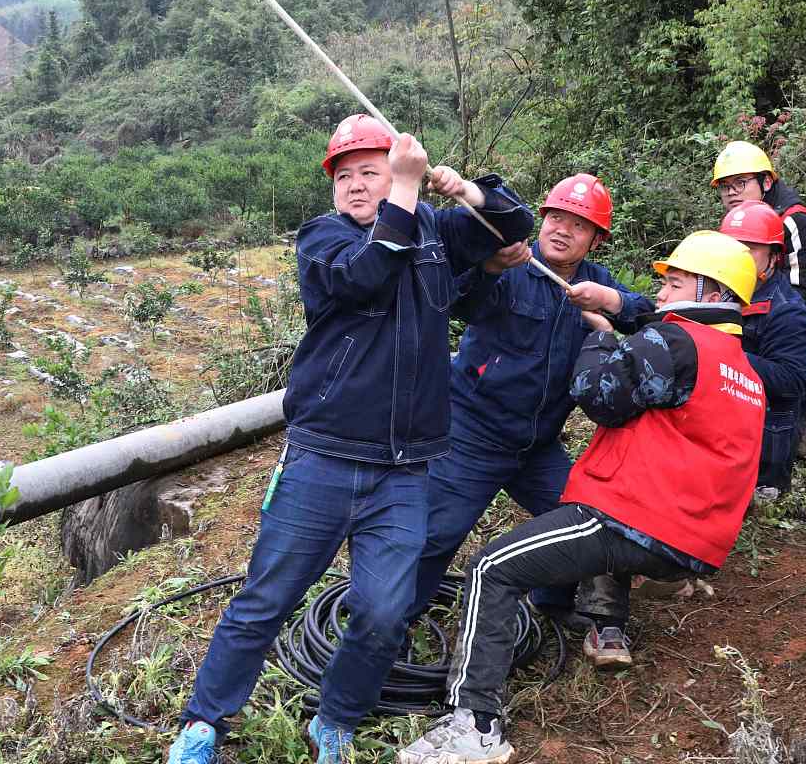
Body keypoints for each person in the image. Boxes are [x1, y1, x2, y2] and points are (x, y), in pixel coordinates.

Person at [166, 114, 533, 764]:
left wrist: (468, 194)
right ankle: (203, 723)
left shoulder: (433, 234)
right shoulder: (323, 239)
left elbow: (512, 229)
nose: (358, 186)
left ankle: (335, 719)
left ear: (395, 172)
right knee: (267, 598)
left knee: (386, 612)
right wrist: (406, 193)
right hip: (323, 459)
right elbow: (367, 274)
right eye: (346, 176)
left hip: (404, 471)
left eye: (371, 171)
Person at [396, 232, 765, 764]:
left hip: (630, 518)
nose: (662, 294)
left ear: (710, 293)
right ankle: (585, 616)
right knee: (543, 534)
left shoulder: (677, 340)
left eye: (675, 282)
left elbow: (599, 396)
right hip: (692, 540)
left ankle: (474, 729)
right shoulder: (743, 372)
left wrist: (599, 336)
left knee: (490, 569)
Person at [408, 174, 653, 627]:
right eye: (555, 218)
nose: (562, 230)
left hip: (537, 444)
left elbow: (654, 324)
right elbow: (464, 306)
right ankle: (396, 624)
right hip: (472, 435)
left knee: (577, 520)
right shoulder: (511, 262)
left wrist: (613, 301)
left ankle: (551, 605)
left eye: (578, 225)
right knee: (437, 533)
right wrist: (490, 269)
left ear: (596, 240)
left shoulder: (596, 283)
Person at [711, 141, 806, 451]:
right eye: (725, 187)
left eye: (741, 183)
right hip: (790, 310)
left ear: (766, 182)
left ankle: (802, 448)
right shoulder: (742, 222)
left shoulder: (794, 223)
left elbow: (801, 294)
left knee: (795, 381)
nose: (732, 193)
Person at [720, 200, 806, 493]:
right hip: (729, 433)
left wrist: (726, 357)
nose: (740, 257)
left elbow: (793, 380)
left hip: (766, 444)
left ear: (774, 257)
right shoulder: (721, 292)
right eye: (734, 248)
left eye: (750, 249)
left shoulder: (786, 311)